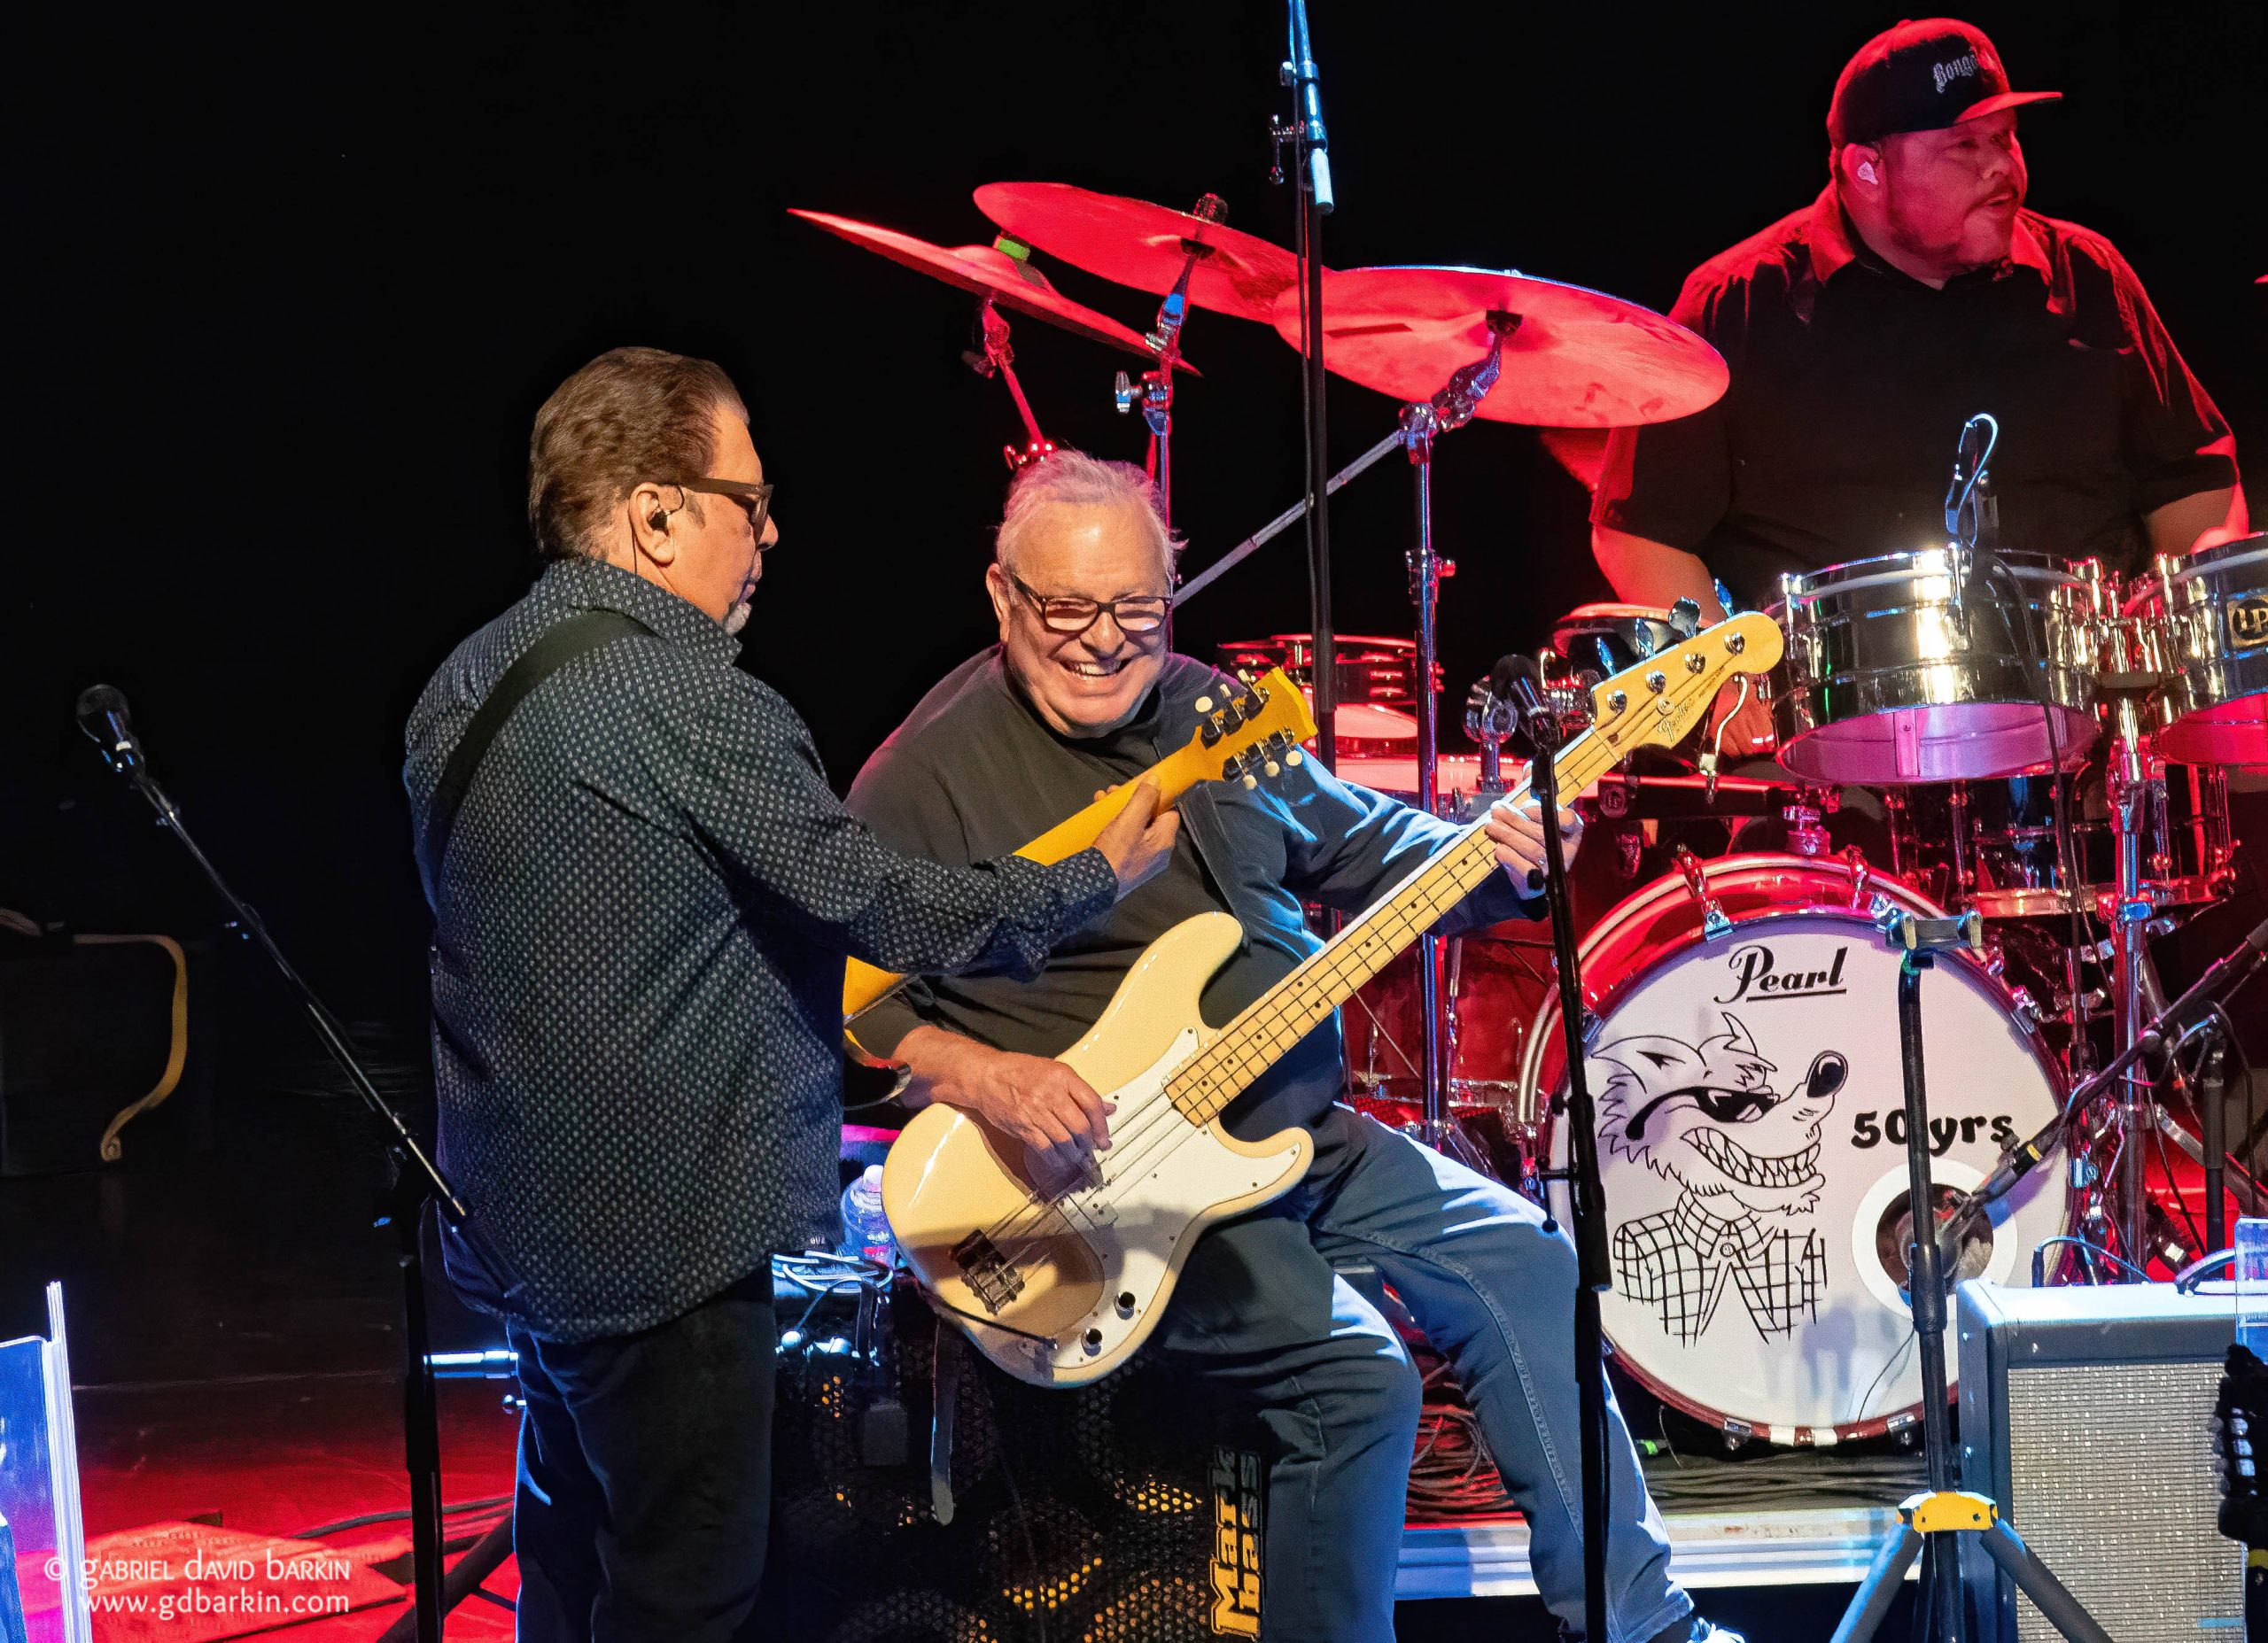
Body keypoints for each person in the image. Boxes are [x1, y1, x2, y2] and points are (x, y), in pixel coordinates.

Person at [846, 452, 1728, 1643]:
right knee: (1358, 1380)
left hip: (1294, 1130)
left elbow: (1371, 849)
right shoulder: (922, 775)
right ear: (1001, 595)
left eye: (1136, 608)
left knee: (1526, 1261)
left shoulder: (1217, 714)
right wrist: (988, 1078)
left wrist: (1505, 853)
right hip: (1109, 1185)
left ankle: (1644, 1626)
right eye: (1067, 608)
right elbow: (848, 1002)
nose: (1104, 640)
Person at [402, 349, 1177, 1642]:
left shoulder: (464, 679)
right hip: (664, 1247)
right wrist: (1088, 879)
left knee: (570, 1560)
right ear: (657, 514)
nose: (770, 535)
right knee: (687, 1592)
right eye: (749, 503)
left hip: (515, 1228)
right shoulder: (690, 699)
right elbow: (890, 911)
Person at [1592, 16, 2247, 756]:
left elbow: (2196, 488)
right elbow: (1637, 529)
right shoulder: (1735, 306)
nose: (2002, 167)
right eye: (1965, 146)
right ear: (1868, 169)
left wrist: (2190, 625)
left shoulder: (2088, 277)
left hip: (2094, 746)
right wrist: (1721, 672)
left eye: (2006, 138)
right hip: (1838, 760)